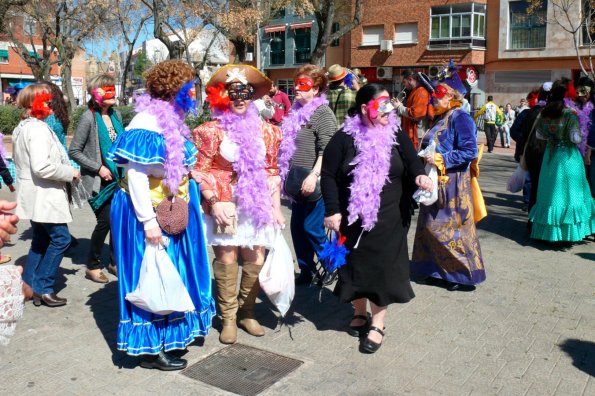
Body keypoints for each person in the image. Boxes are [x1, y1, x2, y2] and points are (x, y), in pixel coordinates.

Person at [108, 60, 215, 370]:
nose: (194, 93)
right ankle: (149, 350)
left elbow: (172, 165)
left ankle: (168, 337)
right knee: (148, 274)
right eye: (190, 87)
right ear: (175, 90)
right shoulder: (146, 121)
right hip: (146, 212)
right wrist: (149, 223)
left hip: (171, 207)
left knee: (170, 272)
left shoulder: (172, 119)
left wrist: (194, 177)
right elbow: (137, 176)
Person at [321, 83, 432, 354]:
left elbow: (411, 161)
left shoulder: (395, 132)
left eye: (389, 105)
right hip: (352, 217)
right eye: (380, 105)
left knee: (382, 268)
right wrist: (333, 210)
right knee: (354, 267)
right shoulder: (344, 138)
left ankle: (378, 324)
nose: (387, 111)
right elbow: (328, 175)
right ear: (363, 108)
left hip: (390, 218)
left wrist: (419, 175)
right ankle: (359, 311)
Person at [193, 64, 285, 345]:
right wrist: (212, 200)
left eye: (245, 93)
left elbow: (272, 172)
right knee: (228, 257)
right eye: (234, 93)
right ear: (224, 97)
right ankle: (229, 317)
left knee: (256, 257)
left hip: (255, 201)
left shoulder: (268, 132)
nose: (240, 98)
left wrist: (277, 208)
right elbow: (199, 170)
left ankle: (247, 312)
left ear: (253, 96)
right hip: (224, 202)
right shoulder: (210, 131)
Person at [411, 68, 487, 292]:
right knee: (429, 226)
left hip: (453, 185)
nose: (435, 96)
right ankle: (435, 270)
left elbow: (470, 151)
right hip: (435, 181)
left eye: (440, 92)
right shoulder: (441, 117)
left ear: (453, 96)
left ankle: (461, 274)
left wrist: (440, 158)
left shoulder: (461, 117)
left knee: (449, 229)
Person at [12, 84, 80, 307]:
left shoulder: (23, 127)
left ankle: (30, 285)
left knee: (41, 241)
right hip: (44, 195)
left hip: (36, 196)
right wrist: (70, 172)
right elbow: (42, 167)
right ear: (36, 103)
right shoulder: (37, 129)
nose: (51, 105)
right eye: (48, 101)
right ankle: (44, 286)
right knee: (61, 239)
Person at [278, 64, 337, 284]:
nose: (297, 89)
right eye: (296, 84)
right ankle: (307, 270)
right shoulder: (295, 110)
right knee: (297, 229)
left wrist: (314, 175)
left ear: (317, 89)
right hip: (296, 181)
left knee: (312, 227)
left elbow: (327, 150)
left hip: (315, 181)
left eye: (304, 85)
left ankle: (335, 265)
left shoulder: (323, 113)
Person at [69, 74, 123, 284]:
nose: (112, 93)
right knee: (106, 221)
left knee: (117, 222)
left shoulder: (116, 114)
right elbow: (74, 151)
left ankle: (114, 262)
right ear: (97, 94)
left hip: (119, 178)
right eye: (106, 89)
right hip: (98, 181)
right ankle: (92, 265)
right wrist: (98, 167)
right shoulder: (88, 118)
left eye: (113, 88)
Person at [528, 78, 595, 243]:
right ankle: (567, 235)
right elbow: (575, 138)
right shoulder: (569, 115)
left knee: (550, 194)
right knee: (570, 195)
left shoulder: (544, 113)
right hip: (569, 159)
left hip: (550, 158)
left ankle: (549, 233)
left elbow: (539, 135)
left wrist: (553, 137)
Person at [394, 69, 433, 149]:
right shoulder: (415, 91)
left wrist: (399, 107)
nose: (404, 85)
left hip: (417, 135)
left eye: (404, 82)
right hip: (412, 133)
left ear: (410, 79)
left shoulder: (421, 92)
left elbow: (416, 114)